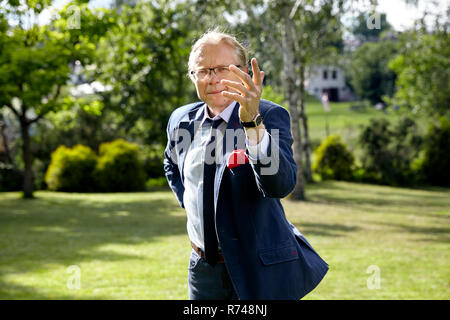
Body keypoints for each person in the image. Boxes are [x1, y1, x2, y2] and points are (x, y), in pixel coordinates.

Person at [164, 30, 328, 300]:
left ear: (244, 72)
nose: (213, 78)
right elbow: (170, 162)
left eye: (222, 69)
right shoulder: (181, 119)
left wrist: (252, 123)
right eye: (203, 71)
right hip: (202, 269)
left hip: (257, 269)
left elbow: (280, 185)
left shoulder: (270, 115)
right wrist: (191, 201)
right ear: (193, 77)